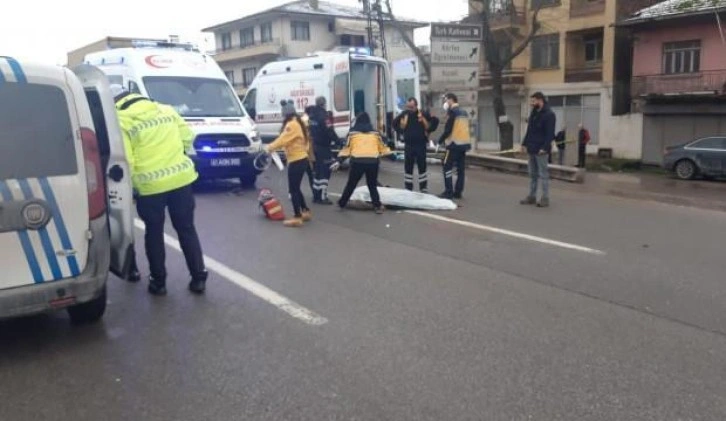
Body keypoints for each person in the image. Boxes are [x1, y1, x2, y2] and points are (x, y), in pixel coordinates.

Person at [111, 85, 208, 296]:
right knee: (186, 228)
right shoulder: (165, 109)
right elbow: (188, 137)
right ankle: (199, 277)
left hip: (150, 186)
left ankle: (159, 282)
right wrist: (174, 154)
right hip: (181, 180)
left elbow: (128, 160)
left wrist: (130, 188)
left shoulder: (120, 119)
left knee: (154, 233)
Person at [264, 100, 312, 227]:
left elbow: (283, 139)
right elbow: (292, 141)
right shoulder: (299, 123)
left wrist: (269, 147)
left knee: (293, 189)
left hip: (296, 160)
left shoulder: (291, 125)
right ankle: (305, 211)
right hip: (301, 159)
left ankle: (297, 217)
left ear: (285, 113)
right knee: (296, 188)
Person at [337, 112, 392, 214]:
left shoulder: (352, 133)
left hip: (357, 161)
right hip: (372, 162)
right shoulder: (375, 133)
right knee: (372, 185)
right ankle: (377, 206)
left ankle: (342, 202)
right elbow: (382, 147)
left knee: (351, 184)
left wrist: (339, 160)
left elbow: (347, 149)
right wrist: (392, 156)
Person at [520, 92, 556, 208]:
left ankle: (545, 198)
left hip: (541, 150)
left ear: (540, 100)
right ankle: (532, 196)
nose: (532, 103)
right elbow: (529, 130)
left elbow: (550, 134)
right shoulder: (534, 114)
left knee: (543, 174)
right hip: (532, 148)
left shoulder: (549, 114)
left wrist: (544, 148)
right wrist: (524, 144)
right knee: (532, 174)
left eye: (534, 101)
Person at [394, 97, 431, 193]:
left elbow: (434, 122)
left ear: (416, 106)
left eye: (411, 107)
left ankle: (423, 187)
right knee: (408, 166)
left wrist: (428, 131)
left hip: (420, 144)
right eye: (408, 107)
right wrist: (401, 131)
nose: (409, 109)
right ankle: (408, 187)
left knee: (422, 165)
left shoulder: (422, 113)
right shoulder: (404, 114)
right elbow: (394, 124)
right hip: (409, 145)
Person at [438, 93, 471, 199]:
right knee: (460, 170)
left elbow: (448, 130)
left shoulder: (453, 113)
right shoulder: (464, 112)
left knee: (447, 167)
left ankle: (448, 191)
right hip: (463, 145)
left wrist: (440, 141)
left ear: (451, 100)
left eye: (446, 100)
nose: (445, 102)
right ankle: (458, 192)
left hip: (453, 145)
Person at [307, 97, 338, 204]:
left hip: (315, 146)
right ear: (324, 104)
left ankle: (316, 195)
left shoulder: (311, 116)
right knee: (325, 172)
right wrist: (338, 141)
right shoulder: (324, 116)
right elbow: (329, 130)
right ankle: (322, 197)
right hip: (324, 147)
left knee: (318, 172)